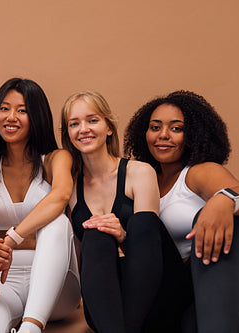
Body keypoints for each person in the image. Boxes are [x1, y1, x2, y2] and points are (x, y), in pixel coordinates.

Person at [124, 90, 239, 332]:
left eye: (176, 128)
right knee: (190, 325)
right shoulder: (144, 181)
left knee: (230, 222)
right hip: (193, 291)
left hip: (237, 278)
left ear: (194, 136)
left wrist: (224, 200)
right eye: (155, 127)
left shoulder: (197, 172)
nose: (163, 135)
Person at [0, 78, 81, 333]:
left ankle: (31, 327)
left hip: (59, 284)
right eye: (4, 108)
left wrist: (10, 238)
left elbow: (60, 197)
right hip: (3, 278)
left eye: (22, 110)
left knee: (57, 222)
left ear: (37, 116)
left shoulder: (56, 158)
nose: (11, 117)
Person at [61, 91, 168, 333]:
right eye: (74, 123)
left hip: (150, 290)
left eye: (92, 120)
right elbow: (80, 259)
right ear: (68, 134)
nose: (83, 129)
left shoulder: (140, 172)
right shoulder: (70, 185)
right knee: (96, 233)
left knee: (142, 222)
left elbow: (150, 248)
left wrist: (122, 235)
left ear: (109, 127)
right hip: (103, 300)